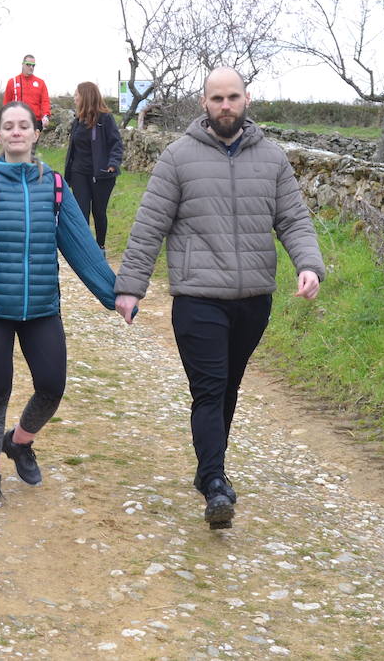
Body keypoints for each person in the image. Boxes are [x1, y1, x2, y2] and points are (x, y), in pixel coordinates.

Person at [113, 67, 324, 530]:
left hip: (253, 299)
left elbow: (293, 219)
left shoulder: (272, 159)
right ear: (203, 103)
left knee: (228, 387)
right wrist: (130, 287)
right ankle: (215, 484)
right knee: (208, 389)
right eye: (216, 98)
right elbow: (149, 226)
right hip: (198, 298)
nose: (225, 105)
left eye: (233, 97)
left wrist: (309, 265)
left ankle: (209, 467)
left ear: (247, 99)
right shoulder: (177, 158)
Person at [0, 101, 120, 510]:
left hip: (41, 309)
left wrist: (116, 295)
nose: (17, 131)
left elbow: (82, 248)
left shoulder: (54, 184)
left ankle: (19, 443)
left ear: (36, 134)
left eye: (24, 126)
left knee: (52, 386)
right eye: (9, 127)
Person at [63, 81, 124, 252]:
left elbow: (116, 144)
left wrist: (113, 164)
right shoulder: (77, 120)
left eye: (77, 94)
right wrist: (68, 173)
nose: (74, 98)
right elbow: (73, 149)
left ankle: (100, 246)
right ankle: (85, 248)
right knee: (81, 213)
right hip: (79, 173)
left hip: (102, 175)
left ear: (86, 97)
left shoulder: (105, 119)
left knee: (99, 212)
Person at [3, 54, 51, 131]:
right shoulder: (13, 82)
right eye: (28, 65)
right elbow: (6, 103)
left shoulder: (41, 83)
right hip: (16, 122)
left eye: (33, 65)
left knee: (32, 143)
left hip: (35, 122)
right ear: (23, 64)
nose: (31, 67)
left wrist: (45, 116)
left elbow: (45, 101)